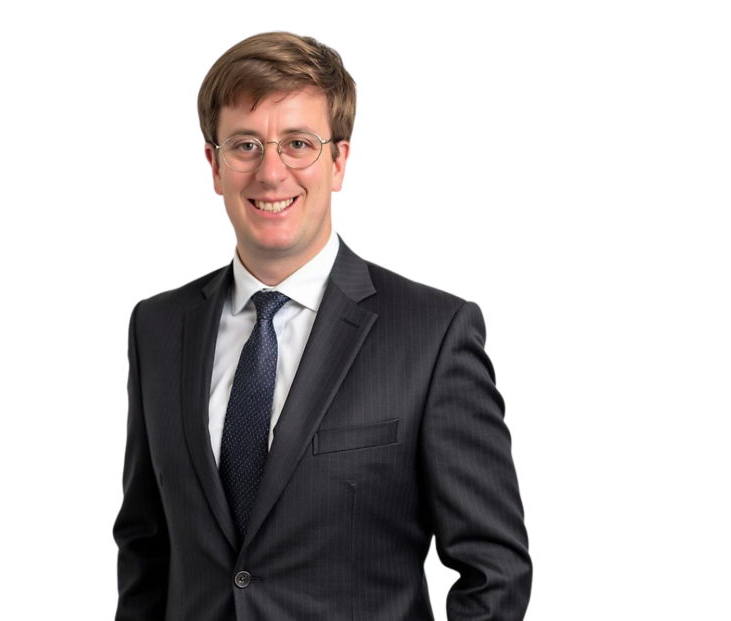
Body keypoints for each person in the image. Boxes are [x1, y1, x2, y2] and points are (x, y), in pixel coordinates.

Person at [113, 30, 532, 620]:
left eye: (298, 144)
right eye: (246, 145)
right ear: (213, 165)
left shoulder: (434, 332)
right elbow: (144, 547)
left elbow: (496, 571)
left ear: (340, 160)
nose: (271, 173)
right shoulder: (156, 327)